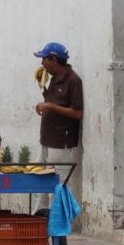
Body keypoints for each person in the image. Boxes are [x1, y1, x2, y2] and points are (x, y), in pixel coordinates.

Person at [33, 41, 83, 208]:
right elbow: (52, 102)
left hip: (62, 143)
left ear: (53, 59)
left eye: (44, 59)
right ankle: (40, 219)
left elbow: (77, 113)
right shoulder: (54, 78)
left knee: (58, 185)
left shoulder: (73, 80)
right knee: (41, 182)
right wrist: (42, 88)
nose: (42, 63)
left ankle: (57, 226)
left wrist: (49, 106)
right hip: (47, 140)